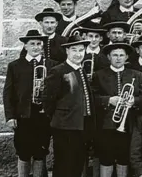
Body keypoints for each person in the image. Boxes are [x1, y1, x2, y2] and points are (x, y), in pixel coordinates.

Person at [3, 30, 58, 177]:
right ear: (25, 46)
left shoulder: (52, 65)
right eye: (32, 44)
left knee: (40, 152)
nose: (35, 47)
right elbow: (8, 93)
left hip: (43, 115)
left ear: (43, 46)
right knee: (23, 152)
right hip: (23, 116)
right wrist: (10, 116)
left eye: (39, 44)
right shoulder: (15, 66)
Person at [91, 42, 142, 177]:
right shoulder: (99, 75)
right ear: (109, 57)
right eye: (115, 55)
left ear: (127, 57)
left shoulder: (136, 74)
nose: (118, 58)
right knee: (106, 157)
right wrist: (108, 100)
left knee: (124, 157)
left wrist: (135, 101)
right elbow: (92, 97)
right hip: (106, 125)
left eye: (122, 55)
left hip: (129, 124)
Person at [44, 35, 96, 177]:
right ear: (67, 51)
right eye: (74, 50)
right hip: (64, 127)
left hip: (81, 125)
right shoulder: (58, 71)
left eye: (81, 50)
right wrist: (60, 119)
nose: (78, 54)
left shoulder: (81, 70)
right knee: (64, 165)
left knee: (77, 164)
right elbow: (49, 101)